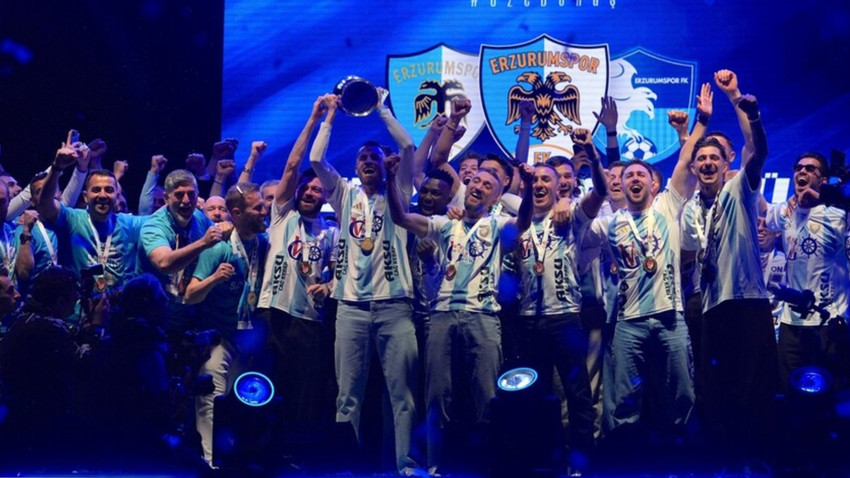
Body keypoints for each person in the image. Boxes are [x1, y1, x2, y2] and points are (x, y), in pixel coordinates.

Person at [387, 142, 534, 475]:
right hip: (441, 314)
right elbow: (400, 217)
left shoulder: (497, 225)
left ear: (496, 198)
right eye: (476, 181)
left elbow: (524, 221)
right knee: (437, 396)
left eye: (488, 185)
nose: (478, 186)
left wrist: (525, 186)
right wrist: (390, 178)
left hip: (483, 316)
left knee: (487, 396)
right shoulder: (443, 224)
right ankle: (436, 464)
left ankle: (490, 465)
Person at [583, 84, 705, 436]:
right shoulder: (610, 223)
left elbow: (685, 162)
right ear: (619, 186)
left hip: (671, 318)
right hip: (628, 323)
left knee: (682, 393)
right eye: (627, 176)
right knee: (623, 398)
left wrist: (701, 121)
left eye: (641, 175)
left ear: (654, 184)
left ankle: (681, 451)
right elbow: (575, 230)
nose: (634, 178)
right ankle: (623, 454)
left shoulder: (668, 206)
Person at [309, 90, 420, 475]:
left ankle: (405, 465)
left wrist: (382, 109)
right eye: (363, 158)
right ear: (356, 167)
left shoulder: (398, 191)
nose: (369, 162)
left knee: (402, 396)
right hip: (351, 309)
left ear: (384, 165)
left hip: (395, 307)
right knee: (348, 397)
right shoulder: (344, 194)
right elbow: (316, 159)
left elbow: (408, 146)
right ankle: (347, 467)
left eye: (375, 157)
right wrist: (330, 116)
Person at [680, 93, 775, 462]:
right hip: (712, 306)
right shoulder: (691, 209)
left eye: (713, 158)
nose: (707, 163)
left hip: (747, 302)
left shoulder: (739, 190)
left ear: (726, 165)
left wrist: (752, 114)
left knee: (754, 389)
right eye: (701, 159)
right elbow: (689, 254)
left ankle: (757, 461)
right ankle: (723, 463)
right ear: (694, 167)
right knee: (716, 390)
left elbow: (759, 151)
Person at [515, 126, 607, 468]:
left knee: (578, 394)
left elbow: (601, 190)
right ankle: (543, 460)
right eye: (535, 179)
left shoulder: (572, 217)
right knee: (535, 395)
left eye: (546, 180)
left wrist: (591, 154)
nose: (539, 184)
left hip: (566, 318)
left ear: (559, 187)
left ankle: (581, 463)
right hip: (528, 320)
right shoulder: (518, 222)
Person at [257, 98, 338, 427]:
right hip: (271, 312)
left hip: (308, 320)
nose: (310, 192)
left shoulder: (331, 232)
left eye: (318, 190)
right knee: (264, 388)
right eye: (307, 186)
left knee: (302, 395)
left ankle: (295, 449)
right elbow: (292, 166)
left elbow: (343, 272)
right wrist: (314, 118)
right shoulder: (282, 214)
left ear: (326, 197)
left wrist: (329, 285)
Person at [184, 182, 269, 465]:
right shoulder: (217, 247)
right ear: (237, 213)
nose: (264, 211)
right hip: (218, 339)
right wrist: (214, 279)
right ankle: (209, 464)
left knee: (241, 405)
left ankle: (234, 464)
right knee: (211, 401)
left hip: (246, 339)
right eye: (257, 207)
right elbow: (190, 295)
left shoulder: (263, 243)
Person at [764, 152, 849, 389]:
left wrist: (827, 198)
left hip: (828, 322)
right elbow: (762, 211)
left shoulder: (839, 217)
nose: (802, 171)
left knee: (828, 393)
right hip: (791, 323)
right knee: (790, 391)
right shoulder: (786, 213)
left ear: (823, 180)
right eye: (798, 168)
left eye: (810, 169)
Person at [36, 142, 145, 292]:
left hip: (116, 305)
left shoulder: (129, 223)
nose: (102, 195)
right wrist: (57, 167)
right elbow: (45, 205)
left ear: (116, 196)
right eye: (96, 190)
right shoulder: (72, 219)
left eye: (109, 190)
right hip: (77, 305)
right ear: (86, 197)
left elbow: (160, 217)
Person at [138, 169, 222, 336]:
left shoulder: (199, 218)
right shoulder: (154, 226)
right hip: (152, 318)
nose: (186, 201)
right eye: (179, 195)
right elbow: (164, 264)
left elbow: (218, 233)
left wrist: (225, 227)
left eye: (191, 194)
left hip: (187, 316)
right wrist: (203, 243)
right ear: (166, 198)